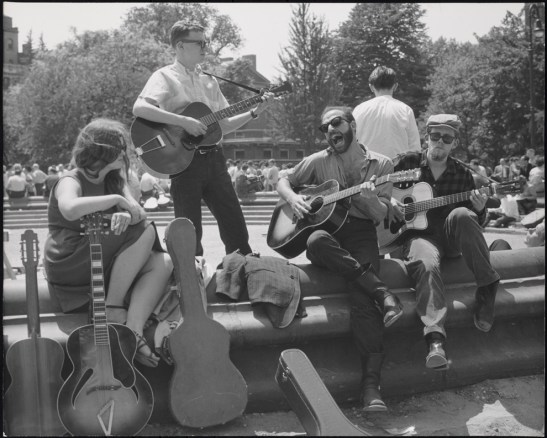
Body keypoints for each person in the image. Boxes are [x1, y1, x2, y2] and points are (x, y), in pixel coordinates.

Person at [276, 106, 403, 412]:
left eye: (336, 122)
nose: (330, 130)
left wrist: (367, 197)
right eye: (325, 127)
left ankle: (372, 388)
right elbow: (284, 179)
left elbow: (380, 214)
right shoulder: (318, 161)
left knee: (362, 303)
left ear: (352, 125)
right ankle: (384, 293)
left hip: (361, 234)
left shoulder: (382, 164)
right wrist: (293, 198)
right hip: (328, 237)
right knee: (316, 239)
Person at [133, 20, 273, 257]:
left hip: (215, 160)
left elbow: (224, 125)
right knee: (189, 230)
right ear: (180, 46)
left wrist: (254, 112)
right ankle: (192, 281)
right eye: (199, 42)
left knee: (235, 225)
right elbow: (139, 108)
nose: (205, 47)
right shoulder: (165, 76)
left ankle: (241, 272)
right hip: (184, 163)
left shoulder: (210, 80)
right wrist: (183, 121)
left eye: (205, 42)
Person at [43, 119, 173, 367]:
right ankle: (113, 308)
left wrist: (125, 212)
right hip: (71, 256)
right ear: (102, 150)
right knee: (145, 231)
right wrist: (115, 202)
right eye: (120, 146)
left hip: (100, 251)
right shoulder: (71, 179)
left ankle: (132, 330)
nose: (125, 152)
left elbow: (138, 215)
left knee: (162, 261)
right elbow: (69, 210)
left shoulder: (116, 179)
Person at [391, 114, 500, 370]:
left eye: (447, 138)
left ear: (455, 143)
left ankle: (488, 286)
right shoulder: (407, 162)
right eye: (435, 136)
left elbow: (471, 225)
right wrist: (390, 202)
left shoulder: (463, 174)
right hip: (418, 236)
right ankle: (435, 340)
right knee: (426, 264)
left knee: (464, 213)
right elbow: (379, 189)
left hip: (449, 237)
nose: (440, 142)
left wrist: (480, 208)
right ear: (426, 137)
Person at [352, 66, 421, 160]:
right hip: (397, 170)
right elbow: (415, 148)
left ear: (371, 87)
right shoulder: (405, 109)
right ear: (395, 86)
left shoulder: (358, 110)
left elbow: (352, 143)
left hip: (367, 168)